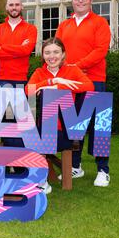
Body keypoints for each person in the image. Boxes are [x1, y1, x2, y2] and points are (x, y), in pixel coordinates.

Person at [55, 0, 111, 187]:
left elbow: (100, 51)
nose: (80, 0)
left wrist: (76, 66)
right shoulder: (64, 25)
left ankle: (103, 170)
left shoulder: (100, 23)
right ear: (72, 0)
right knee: (75, 126)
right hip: (70, 83)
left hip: (94, 80)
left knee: (99, 127)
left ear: (91, 0)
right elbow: (57, 50)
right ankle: (76, 167)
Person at [26, 37, 94, 194]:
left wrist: (60, 85)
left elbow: (88, 85)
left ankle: (40, 179)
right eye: (47, 52)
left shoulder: (72, 70)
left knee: (48, 96)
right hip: (44, 129)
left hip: (64, 129)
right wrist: (51, 81)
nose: (52, 56)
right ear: (42, 55)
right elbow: (28, 90)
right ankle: (39, 179)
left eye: (56, 52)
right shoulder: (39, 72)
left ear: (63, 54)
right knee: (19, 137)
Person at [0, 0, 37, 149]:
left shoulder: (31, 29)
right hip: (0, 80)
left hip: (20, 80)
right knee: (0, 120)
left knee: (19, 122)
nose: (14, 7)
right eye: (11, 5)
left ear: (22, 7)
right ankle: (0, 159)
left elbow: (27, 50)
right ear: (6, 8)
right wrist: (18, 48)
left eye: (17, 4)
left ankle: (17, 162)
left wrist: (3, 48)